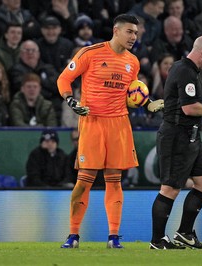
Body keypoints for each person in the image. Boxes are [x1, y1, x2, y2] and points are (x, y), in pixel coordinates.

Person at [57, 14, 142, 249]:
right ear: (116, 31)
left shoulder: (133, 62)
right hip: (92, 122)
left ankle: (114, 237)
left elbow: (132, 93)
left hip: (119, 124)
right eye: (129, 31)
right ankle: (73, 234)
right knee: (84, 180)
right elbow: (64, 79)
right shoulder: (90, 53)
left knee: (115, 180)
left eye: (136, 33)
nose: (134, 37)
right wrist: (71, 101)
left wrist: (146, 102)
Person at [149, 35, 202, 250]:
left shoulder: (189, 71)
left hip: (191, 135)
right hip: (177, 137)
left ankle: (184, 232)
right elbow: (189, 108)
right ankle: (157, 241)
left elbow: (191, 106)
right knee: (170, 189)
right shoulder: (185, 71)